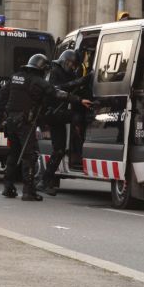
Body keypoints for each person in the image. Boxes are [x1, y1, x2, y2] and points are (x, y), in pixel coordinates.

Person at [0, 53, 92, 201]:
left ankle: (8, 187)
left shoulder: (15, 77)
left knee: (14, 153)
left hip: (11, 121)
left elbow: (3, 94)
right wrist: (78, 100)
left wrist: (9, 111)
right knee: (29, 156)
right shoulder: (37, 81)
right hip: (25, 122)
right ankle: (29, 192)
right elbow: (56, 93)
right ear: (41, 68)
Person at [37, 50, 93, 195]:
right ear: (65, 61)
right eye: (71, 64)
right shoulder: (54, 71)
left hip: (58, 114)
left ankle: (45, 181)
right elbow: (58, 90)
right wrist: (80, 84)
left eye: (74, 65)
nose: (73, 68)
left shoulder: (67, 73)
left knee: (59, 150)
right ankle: (78, 143)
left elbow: (71, 87)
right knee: (76, 117)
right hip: (52, 113)